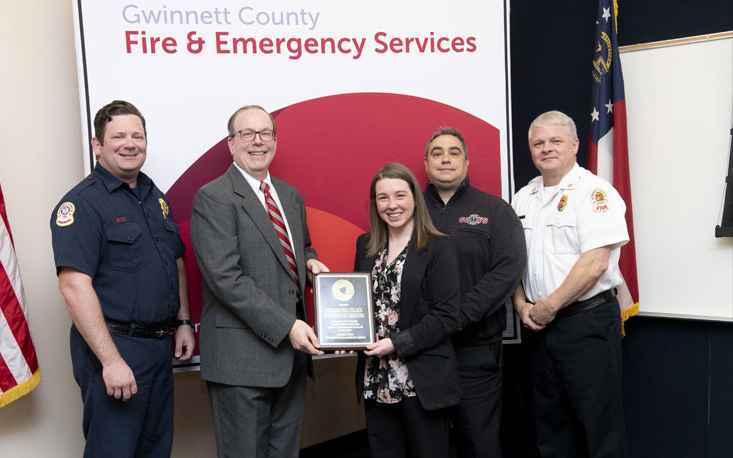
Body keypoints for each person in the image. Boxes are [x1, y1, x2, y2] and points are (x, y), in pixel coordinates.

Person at [51, 100, 194, 458]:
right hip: (116, 348)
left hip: (159, 347)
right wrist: (112, 362)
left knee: (155, 449)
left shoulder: (153, 197)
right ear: (98, 145)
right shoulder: (82, 204)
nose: (130, 144)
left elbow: (174, 259)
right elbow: (73, 285)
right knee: (113, 450)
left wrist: (184, 321)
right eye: (118, 136)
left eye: (137, 136)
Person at [190, 105, 330, 458]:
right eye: (247, 134)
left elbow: (302, 248)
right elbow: (226, 278)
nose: (257, 142)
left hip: (291, 362)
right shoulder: (214, 197)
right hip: (242, 362)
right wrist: (288, 326)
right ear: (231, 144)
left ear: (275, 141)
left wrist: (311, 265)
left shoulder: (290, 196)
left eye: (265, 133)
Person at [511, 110, 629, 458]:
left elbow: (595, 263)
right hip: (537, 327)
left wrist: (548, 306)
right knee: (550, 427)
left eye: (555, 141)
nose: (546, 148)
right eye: (538, 143)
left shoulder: (594, 193)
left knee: (600, 427)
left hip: (585, 323)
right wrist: (521, 304)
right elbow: (512, 261)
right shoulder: (523, 198)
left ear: (575, 145)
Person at [422, 127, 526, 458]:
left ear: (467, 162)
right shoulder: (407, 210)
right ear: (426, 164)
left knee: (479, 443)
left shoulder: (495, 211)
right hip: (421, 351)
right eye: (437, 153)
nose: (445, 158)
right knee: (426, 443)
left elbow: (507, 270)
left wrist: (458, 316)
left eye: (454, 152)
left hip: (475, 349)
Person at [353, 162, 462, 458]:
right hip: (376, 378)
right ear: (374, 203)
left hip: (421, 379)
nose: (392, 205)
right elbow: (359, 309)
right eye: (383, 197)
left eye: (400, 195)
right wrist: (346, 339)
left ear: (415, 197)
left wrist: (396, 343)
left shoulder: (438, 246)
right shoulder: (366, 246)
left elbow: (447, 315)